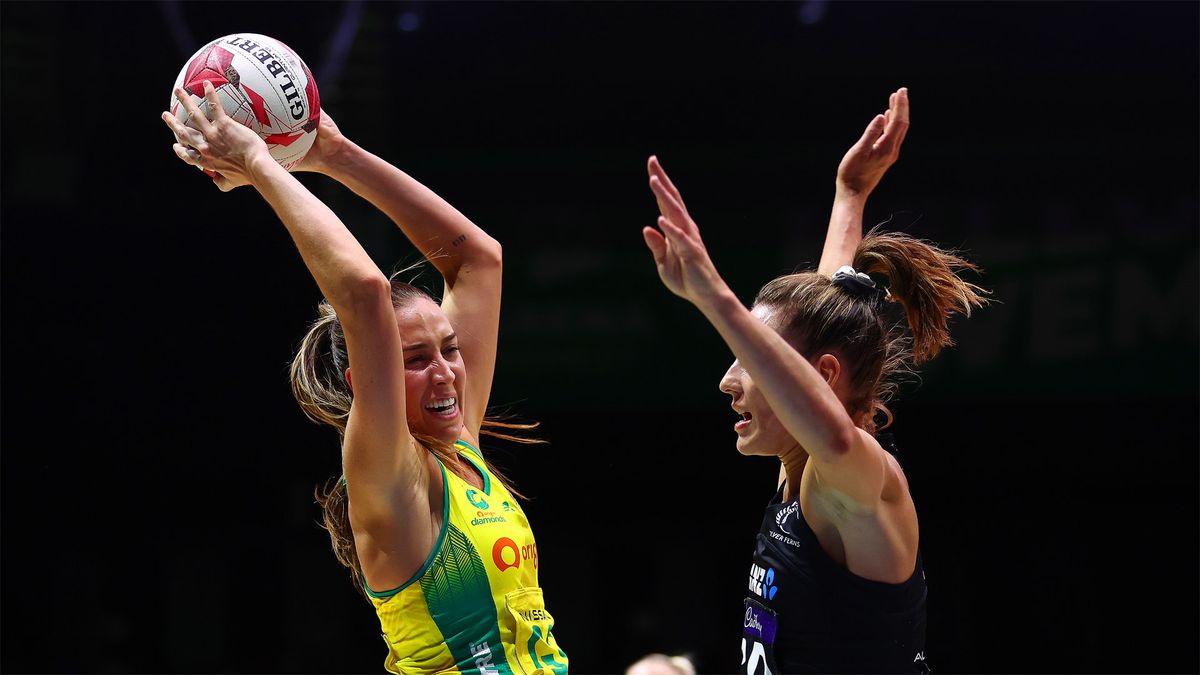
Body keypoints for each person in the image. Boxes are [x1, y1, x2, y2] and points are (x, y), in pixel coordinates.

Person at [162, 81, 568, 674]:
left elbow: (478, 259)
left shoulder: (459, 449)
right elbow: (364, 293)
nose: (448, 374)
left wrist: (334, 154)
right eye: (416, 359)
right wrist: (257, 163)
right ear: (366, 378)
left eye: (450, 350)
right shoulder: (387, 472)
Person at [641, 88, 987, 673]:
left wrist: (715, 297)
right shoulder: (799, 457)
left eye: (750, 362)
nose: (728, 382)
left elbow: (824, 414)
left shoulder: (853, 483)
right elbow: (824, 319)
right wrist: (849, 195)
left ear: (823, 380)